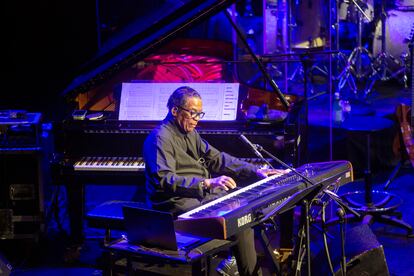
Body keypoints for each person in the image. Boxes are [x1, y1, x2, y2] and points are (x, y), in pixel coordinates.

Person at [143, 86, 286, 276]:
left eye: (199, 114)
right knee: (239, 218)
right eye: (193, 113)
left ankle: (235, 261)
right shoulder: (160, 138)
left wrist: (256, 170)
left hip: (198, 197)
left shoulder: (189, 133)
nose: (196, 119)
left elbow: (217, 158)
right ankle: (245, 268)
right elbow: (164, 179)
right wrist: (206, 183)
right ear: (175, 110)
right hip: (175, 203)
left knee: (249, 205)